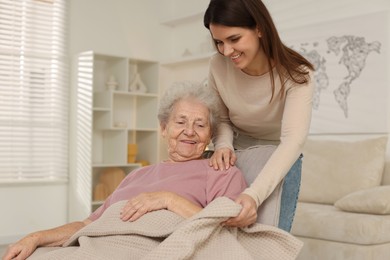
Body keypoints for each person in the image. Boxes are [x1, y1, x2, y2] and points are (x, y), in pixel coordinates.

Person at [2, 82, 247, 260]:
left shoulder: (219, 170)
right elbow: (88, 224)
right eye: (180, 122)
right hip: (98, 247)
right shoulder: (137, 175)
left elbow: (225, 227)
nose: (189, 131)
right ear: (164, 128)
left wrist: (168, 200)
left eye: (200, 125)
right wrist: (34, 237)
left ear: (210, 136)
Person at [203, 0, 315, 232]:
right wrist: (223, 145)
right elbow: (222, 119)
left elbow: (293, 141)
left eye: (234, 39)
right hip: (235, 150)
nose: (226, 51)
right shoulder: (217, 65)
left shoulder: (297, 74)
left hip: (277, 155)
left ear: (260, 28)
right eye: (219, 42)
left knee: (268, 235)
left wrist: (253, 195)